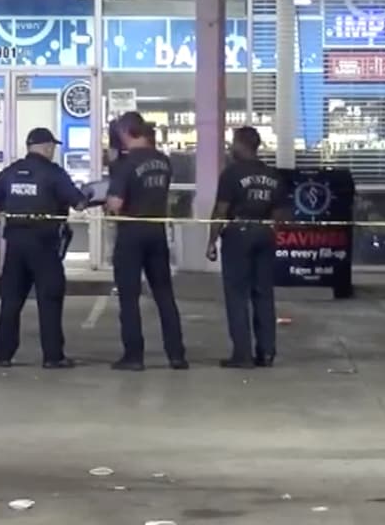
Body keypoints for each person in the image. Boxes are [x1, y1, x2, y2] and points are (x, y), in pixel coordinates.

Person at [0, 127, 90, 369]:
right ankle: (53, 356)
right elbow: (79, 203)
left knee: (11, 301)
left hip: (15, 245)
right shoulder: (53, 173)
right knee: (50, 300)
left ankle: (4, 355)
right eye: (52, 147)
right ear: (47, 147)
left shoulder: (10, 172)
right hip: (44, 245)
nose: (52, 151)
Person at [106, 111, 188, 371]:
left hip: (131, 232)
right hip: (156, 231)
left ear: (126, 133)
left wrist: (107, 200)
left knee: (129, 297)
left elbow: (115, 205)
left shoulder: (126, 165)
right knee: (164, 294)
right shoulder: (164, 161)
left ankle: (134, 356)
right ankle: (176, 355)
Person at [207, 126, 289, 369]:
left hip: (238, 235)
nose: (232, 148)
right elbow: (281, 216)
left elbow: (221, 210)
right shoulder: (273, 175)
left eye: (234, 143)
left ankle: (242, 354)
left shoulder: (231, 174)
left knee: (237, 295)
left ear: (243, 145)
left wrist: (211, 241)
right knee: (263, 294)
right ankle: (267, 353)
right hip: (265, 234)